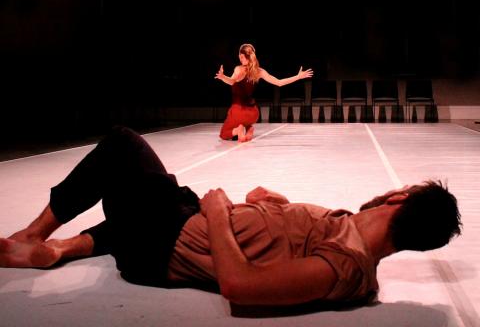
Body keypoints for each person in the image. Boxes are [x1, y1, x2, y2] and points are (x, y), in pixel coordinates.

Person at [0, 127, 461, 306]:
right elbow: (288, 237)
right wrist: (273, 204)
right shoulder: (347, 224)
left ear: (399, 199)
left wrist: (220, 215)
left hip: (170, 241)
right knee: (152, 201)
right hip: (182, 218)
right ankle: (64, 248)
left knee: (123, 146)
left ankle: (33, 235)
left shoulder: (347, 265)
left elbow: (241, 289)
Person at [215, 43, 313, 142]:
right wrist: (298, 77)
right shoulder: (259, 71)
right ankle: (248, 128)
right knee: (243, 122)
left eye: (241, 56)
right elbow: (279, 82)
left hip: (239, 111)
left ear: (246, 56)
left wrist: (223, 77)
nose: (240, 59)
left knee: (224, 133)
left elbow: (232, 81)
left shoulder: (239, 69)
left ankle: (239, 130)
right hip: (253, 113)